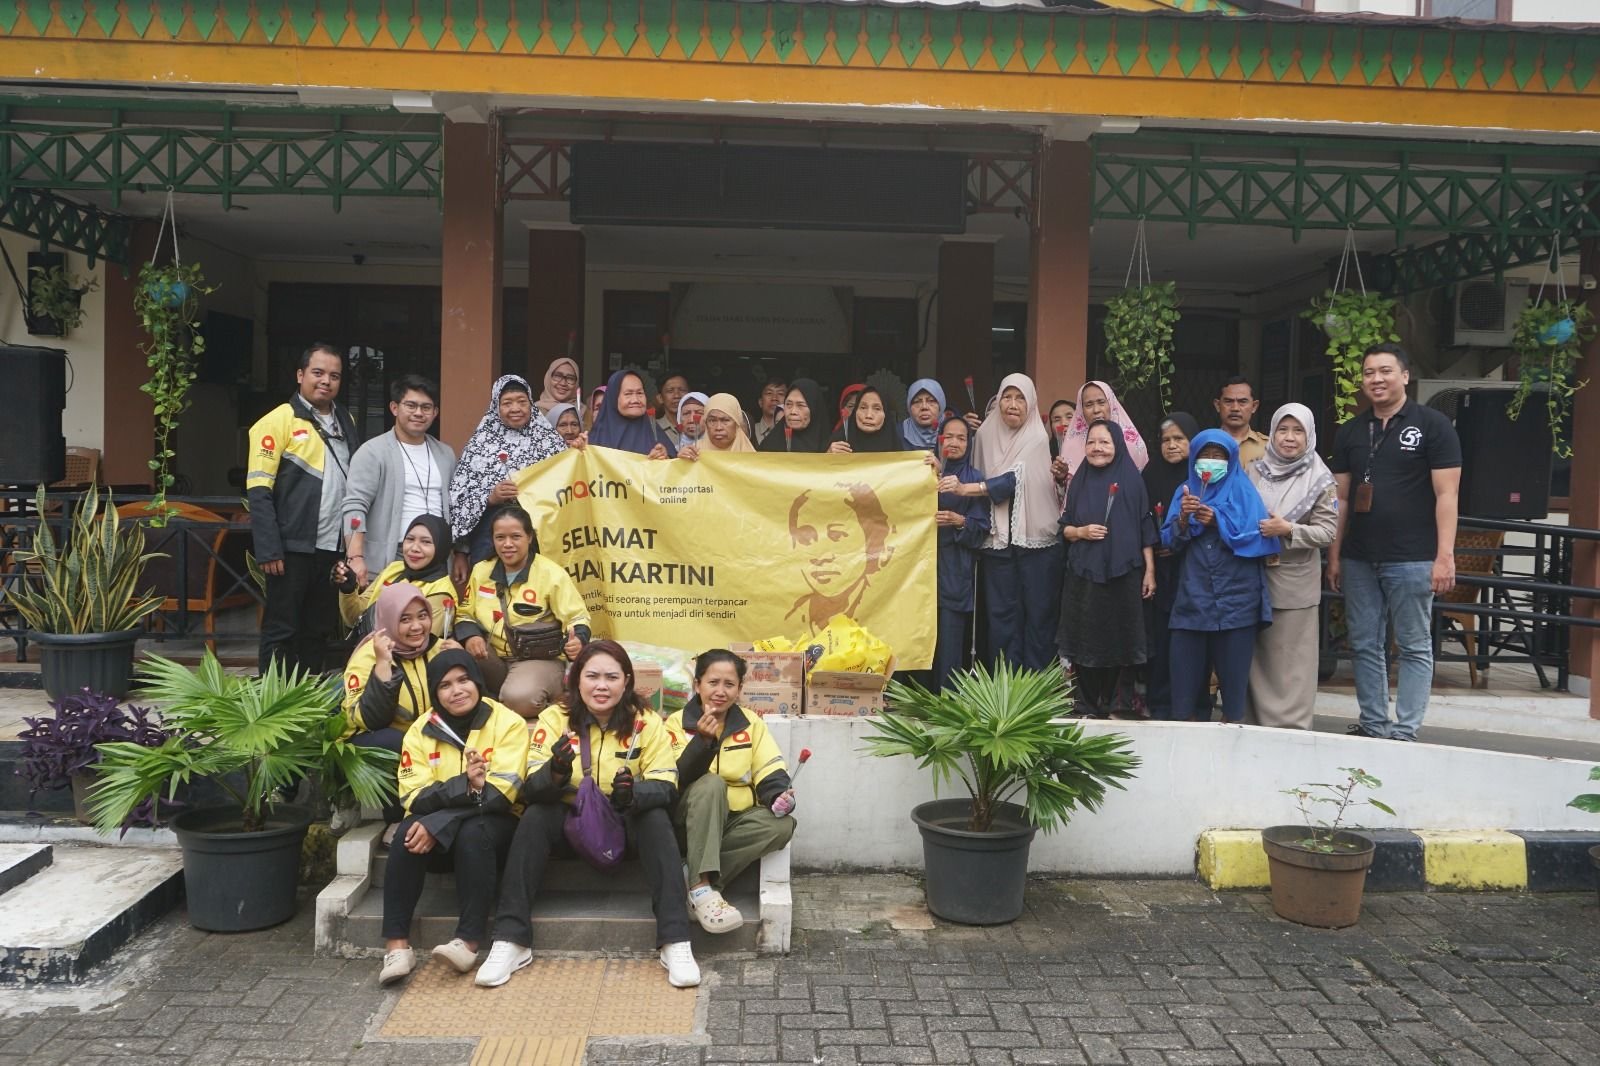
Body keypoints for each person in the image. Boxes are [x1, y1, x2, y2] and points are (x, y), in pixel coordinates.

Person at [474, 641, 698, 989]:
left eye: (612, 677)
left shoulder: (647, 722)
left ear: (626, 681)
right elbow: (531, 787)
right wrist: (556, 770)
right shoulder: (554, 719)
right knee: (535, 816)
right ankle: (510, 939)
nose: (601, 686)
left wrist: (632, 794)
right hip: (573, 823)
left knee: (655, 818)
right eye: (592, 676)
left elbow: (667, 785)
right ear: (576, 679)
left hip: (624, 822)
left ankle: (676, 940)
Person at [1328, 343, 1461, 741]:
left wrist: (1445, 556)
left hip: (1413, 557)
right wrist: (1334, 556)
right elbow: (1341, 499)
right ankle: (1374, 724)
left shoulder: (1434, 425)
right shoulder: (1351, 431)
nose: (1376, 379)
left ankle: (1405, 731)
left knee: (1414, 645)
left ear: (1405, 375)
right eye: (1369, 373)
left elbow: (1447, 495)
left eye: (1385, 371)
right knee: (1364, 644)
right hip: (1359, 557)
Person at [377, 649, 529, 987]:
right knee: (407, 831)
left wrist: (440, 819)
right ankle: (397, 946)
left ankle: (468, 941)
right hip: (439, 836)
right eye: (445, 685)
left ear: (478, 681)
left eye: (464, 680)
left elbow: (501, 794)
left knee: (475, 831)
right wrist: (463, 787)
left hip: (496, 828)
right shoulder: (421, 730)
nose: (457, 691)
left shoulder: (508, 723)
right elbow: (412, 796)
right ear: (435, 692)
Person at [249, 342, 360, 676]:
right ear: (300, 375)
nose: (326, 381)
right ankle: (272, 700)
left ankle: (308, 698)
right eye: (318, 372)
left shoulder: (346, 419)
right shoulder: (276, 421)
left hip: (331, 548)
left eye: (334, 376)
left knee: (318, 630)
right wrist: (270, 549)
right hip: (290, 549)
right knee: (281, 629)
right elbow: (259, 492)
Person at [666, 650, 795, 934]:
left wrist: (778, 796)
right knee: (713, 784)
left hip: (734, 819)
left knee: (782, 826)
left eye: (729, 684)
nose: (720, 692)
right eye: (713, 683)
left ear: (739, 689)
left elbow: (769, 767)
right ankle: (701, 887)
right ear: (697, 685)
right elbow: (677, 778)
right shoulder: (676, 723)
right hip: (690, 820)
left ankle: (695, 880)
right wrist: (702, 742)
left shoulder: (751, 722)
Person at [940, 373, 1063, 671]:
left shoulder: (1036, 437)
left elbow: (1012, 480)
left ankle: (1036, 685)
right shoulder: (984, 435)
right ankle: (1004, 684)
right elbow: (968, 468)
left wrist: (968, 489)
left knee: (1038, 615)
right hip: (995, 540)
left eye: (1020, 398)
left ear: (1030, 403)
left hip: (1036, 542)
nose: (1013, 404)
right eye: (1007, 397)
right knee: (1000, 617)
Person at [1161, 430, 1279, 723]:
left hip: (1237, 601)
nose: (1211, 461)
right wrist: (1184, 519)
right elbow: (1168, 542)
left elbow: (1261, 538)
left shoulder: (1244, 492)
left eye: (1218, 456)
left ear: (1231, 459)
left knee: (1234, 698)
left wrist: (1218, 521)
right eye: (1205, 455)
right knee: (1184, 695)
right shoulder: (1184, 491)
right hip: (1192, 599)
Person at [1247, 403, 1339, 730]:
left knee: (1291, 662)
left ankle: (1291, 729)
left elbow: (1327, 532)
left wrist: (1288, 530)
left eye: (1298, 431)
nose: (1289, 438)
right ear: (1272, 433)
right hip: (1253, 579)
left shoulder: (1321, 479)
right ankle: (1254, 725)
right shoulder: (1254, 471)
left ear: (1309, 435)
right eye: (1282, 430)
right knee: (1257, 659)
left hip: (1294, 585)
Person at [1057, 422, 1157, 718]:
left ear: (1118, 445)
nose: (1097, 448)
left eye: (1105, 442)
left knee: (1121, 638)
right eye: (1092, 442)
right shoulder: (1079, 481)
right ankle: (1085, 705)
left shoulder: (1132, 480)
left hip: (1123, 573)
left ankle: (1118, 705)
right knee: (1084, 638)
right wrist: (1082, 531)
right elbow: (1065, 530)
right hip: (1085, 573)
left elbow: (1145, 528)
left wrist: (1150, 571)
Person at [455, 505, 590, 718]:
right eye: (500, 537)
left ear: (529, 537)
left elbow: (577, 617)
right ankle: (501, 698)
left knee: (520, 699)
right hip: (493, 659)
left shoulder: (551, 574)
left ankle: (541, 695)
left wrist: (578, 640)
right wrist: (471, 637)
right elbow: (464, 614)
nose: (507, 544)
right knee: (450, 651)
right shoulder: (481, 571)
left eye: (516, 536)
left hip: (537, 659)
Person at [341, 375, 455, 585]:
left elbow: (456, 508)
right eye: (411, 405)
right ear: (394, 408)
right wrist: (355, 557)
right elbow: (355, 506)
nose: (418, 413)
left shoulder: (445, 454)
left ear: (435, 412)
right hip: (392, 555)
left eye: (426, 407)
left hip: (437, 558)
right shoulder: (373, 452)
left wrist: (460, 553)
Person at [448, 375, 566, 567]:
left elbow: (569, 482)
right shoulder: (480, 444)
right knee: (487, 585)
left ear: (531, 404)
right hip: (488, 539)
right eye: (507, 403)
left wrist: (580, 453)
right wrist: (490, 497)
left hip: (539, 538)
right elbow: (459, 498)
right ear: (496, 406)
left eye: (522, 402)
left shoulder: (550, 441)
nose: (515, 408)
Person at [1140, 412, 1205, 721]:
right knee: (1162, 638)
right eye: (1166, 440)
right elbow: (1140, 516)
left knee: (1192, 638)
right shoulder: (1150, 474)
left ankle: (1194, 704)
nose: (1172, 445)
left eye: (1179, 439)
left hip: (1192, 569)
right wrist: (1156, 543)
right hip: (1159, 570)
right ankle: (1161, 703)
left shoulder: (1202, 477)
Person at [784, 481, 897, 632]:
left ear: (872, 543)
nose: (821, 555)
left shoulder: (893, 618)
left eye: (837, 535)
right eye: (806, 537)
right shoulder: (788, 620)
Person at [931, 415, 990, 690]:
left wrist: (959, 520)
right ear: (939, 439)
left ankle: (947, 699)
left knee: (950, 639)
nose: (954, 442)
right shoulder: (925, 470)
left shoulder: (973, 479)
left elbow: (981, 529)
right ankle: (916, 699)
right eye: (948, 436)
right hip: (920, 568)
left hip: (955, 568)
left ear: (969, 444)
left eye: (961, 438)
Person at [336, 514, 458, 637]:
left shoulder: (441, 593)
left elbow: (417, 642)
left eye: (426, 542)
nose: (414, 548)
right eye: (410, 539)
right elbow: (355, 618)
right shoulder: (395, 569)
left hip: (380, 649)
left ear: (441, 547)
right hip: (365, 647)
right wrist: (348, 590)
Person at [1056, 380, 1149, 490]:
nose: (1096, 410)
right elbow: (1064, 495)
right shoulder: (1071, 444)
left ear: (1111, 404)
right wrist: (1061, 479)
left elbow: (1141, 488)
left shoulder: (1131, 443)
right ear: (1081, 410)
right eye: (1089, 405)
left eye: (1101, 402)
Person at [589, 369, 675, 457]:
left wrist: (665, 457)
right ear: (614, 398)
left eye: (640, 393)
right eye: (628, 394)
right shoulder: (596, 437)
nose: (635, 400)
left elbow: (674, 462)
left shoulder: (654, 433)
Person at [757, 379, 830, 453]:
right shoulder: (769, 446)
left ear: (814, 408)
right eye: (788, 404)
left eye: (801, 405)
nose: (793, 412)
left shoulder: (830, 448)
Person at [828, 386, 902, 453]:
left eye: (877, 408)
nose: (868, 415)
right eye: (863, 408)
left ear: (886, 415)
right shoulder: (839, 442)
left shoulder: (894, 445)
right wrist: (828, 455)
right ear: (855, 412)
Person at [1214, 377, 1269, 465]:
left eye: (1242, 402)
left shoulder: (1268, 447)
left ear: (1254, 406)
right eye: (1228, 401)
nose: (1235, 408)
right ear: (1217, 405)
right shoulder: (1205, 443)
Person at [680, 393, 755, 457]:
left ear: (737, 423)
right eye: (712, 420)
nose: (718, 428)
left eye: (725, 420)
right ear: (706, 423)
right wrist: (682, 462)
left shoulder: (751, 458)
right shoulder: (694, 452)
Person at [901, 379, 946, 451]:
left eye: (931, 401)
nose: (924, 407)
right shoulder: (897, 433)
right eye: (917, 402)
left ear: (941, 404)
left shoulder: (953, 431)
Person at [536, 356, 581, 422]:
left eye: (570, 378)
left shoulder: (584, 412)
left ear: (576, 383)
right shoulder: (533, 412)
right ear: (548, 378)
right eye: (558, 376)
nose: (563, 383)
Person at [653, 371, 691, 449]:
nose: (676, 396)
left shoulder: (700, 427)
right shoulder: (653, 429)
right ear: (660, 398)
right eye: (670, 391)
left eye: (682, 390)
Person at [752, 377, 788, 446]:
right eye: (769, 393)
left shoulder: (793, 431)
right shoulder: (751, 431)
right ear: (760, 402)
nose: (774, 398)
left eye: (780, 393)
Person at [675, 392, 709, 456]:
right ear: (679, 418)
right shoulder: (671, 453)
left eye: (699, 413)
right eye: (686, 413)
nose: (692, 420)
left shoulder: (720, 450)